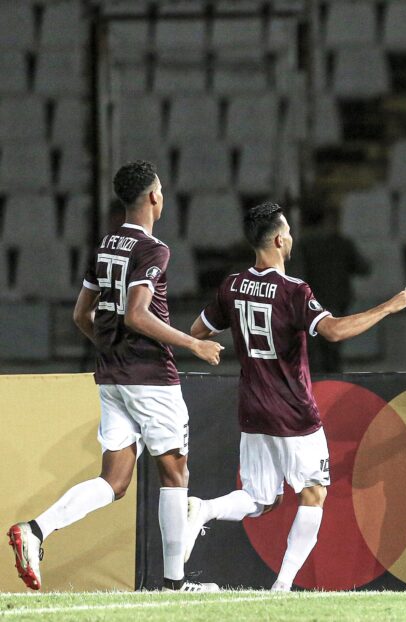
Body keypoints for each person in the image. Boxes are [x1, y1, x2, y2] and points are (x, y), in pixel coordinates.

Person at [183, 202, 406, 591]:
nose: (292, 238)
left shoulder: (232, 286)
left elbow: (197, 330)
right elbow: (333, 331)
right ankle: (283, 586)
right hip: (293, 412)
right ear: (279, 239)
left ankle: (204, 509)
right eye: (288, 233)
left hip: (253, 409)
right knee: (314, 494)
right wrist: (390, 305)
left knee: (261, 498)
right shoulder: (294, 290)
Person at [7, 160, 224, 593]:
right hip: (150, 378)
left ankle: (35, 529)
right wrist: (193, 344)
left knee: (116, 481)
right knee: (175, 475)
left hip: (113, 378)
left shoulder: (106, 244)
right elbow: (137, 313)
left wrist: (109, 350)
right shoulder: (153, 249)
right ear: (153, 197)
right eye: (160, 190)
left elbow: (81, 314)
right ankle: (174, 585)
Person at [294, 206, 371, 373]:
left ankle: (316, 393)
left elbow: (295, 276)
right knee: (333, 354)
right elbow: (364, 268)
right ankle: (333, 391)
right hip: (337, 303)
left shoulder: (303, 245)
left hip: (311, 306)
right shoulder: (341, 243)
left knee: (313, 356)